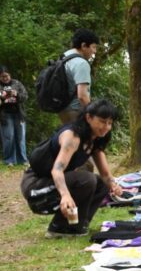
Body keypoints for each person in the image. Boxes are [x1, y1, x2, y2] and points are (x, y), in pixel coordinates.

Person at [21, 99, 122, 238]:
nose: (107, 127)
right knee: (87, 179)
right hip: (36, 187)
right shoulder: (72, 136)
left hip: (51, 182)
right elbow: (57, 170)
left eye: (110, 123)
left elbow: (105, 174)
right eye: (103, 121)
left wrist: (113, 185)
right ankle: (59, 228)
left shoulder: (96, 139)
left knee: (101, 184)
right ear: (88, 117)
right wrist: (65, 195)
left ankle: (78, 225)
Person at [59, 29, 100, 124]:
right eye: (93, 47)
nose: (95, 51)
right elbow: (82, 96)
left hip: (63, 109)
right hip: (76, 111)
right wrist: (93, 115)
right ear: (83, 46)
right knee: (80, 138)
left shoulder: (64, 57)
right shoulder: (81, 63)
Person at [0, 66, 28, 166]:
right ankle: (9, 160)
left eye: (6, 76)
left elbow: (25, 96)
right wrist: (3, 97)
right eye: (2, 77)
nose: (5, 78)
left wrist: (16, 94)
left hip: (19, 114)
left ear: (10, 75)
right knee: (8, 137)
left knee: (21, 137)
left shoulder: (17, 83)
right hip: (5, 115)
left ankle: (23, 160)